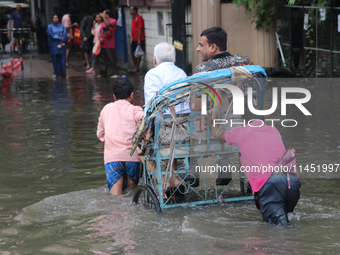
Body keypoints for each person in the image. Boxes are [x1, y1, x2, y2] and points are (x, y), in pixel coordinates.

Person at [207, 108, 301, 225]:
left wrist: (213, 123)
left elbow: (218, 135)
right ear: (264, 120)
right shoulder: (274, 130)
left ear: (243, 121)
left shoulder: (239, 131)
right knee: (286, 221)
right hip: (292, 181)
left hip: (270, 185)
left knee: (279, 230)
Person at [192, 27, 255, 186]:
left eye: (201, 45)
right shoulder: (246, 62)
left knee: (196, 118)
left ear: (213, 47)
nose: (198, 49)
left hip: (218, 126)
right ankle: (238, 174)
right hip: (246, 123)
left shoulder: (203, 69)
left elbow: (197, 106)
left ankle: (194, 176)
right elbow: (256, 94)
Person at [142, 42, 189, 195]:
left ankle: (164, 178)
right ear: (174, 60)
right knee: (171, 125)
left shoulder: (152, 74)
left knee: (142, 143)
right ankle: (173, 175)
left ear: (155, 60)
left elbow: (151, 108)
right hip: (186, 129)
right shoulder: (181, 73)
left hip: (165, 130)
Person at [97, 80, 144, 195]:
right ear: (132, 95)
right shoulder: (135, 109)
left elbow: (100, 134)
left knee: (116, 198)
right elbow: (144, 119)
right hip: (132, 157)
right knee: (132, 193)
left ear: (114, 96)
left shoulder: (106, 109)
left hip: (112, 158)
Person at [97, 10, 119, 77]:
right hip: (103, 44)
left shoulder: (113, 21)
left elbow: (108, 24)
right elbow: (100, 31)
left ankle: (114, 73)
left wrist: (103, 17)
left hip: (110, 44)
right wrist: (99, 38)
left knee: (111, 59)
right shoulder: (103, 23)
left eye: (104, 14)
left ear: (107, 15)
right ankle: (102, 73)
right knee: (102, 60)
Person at [128, 6, 145, 73]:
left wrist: (139, 40)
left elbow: (140, 28)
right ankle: (134, 66)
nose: (130, 12)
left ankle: (137, 67)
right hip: (134, 39)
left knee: (138, 53)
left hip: (139, 39)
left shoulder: (139, 18)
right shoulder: (133, 18)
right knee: (132, 52)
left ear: (135, 11)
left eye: (131, 10)